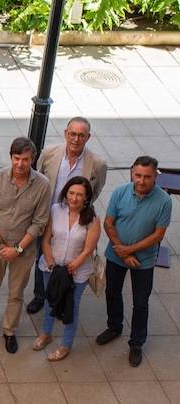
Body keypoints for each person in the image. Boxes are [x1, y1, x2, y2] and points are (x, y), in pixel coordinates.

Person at [0, 137, 51, 354]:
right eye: (16, 158)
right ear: (11, 157)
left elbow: (39, 222)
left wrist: (17, 249)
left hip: (24, 251)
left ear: (32, 159)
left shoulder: (43, 185)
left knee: (16, 293)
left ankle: (9, 331)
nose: (20, 164)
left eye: (25, 159)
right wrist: (0, 243)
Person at [96, 156, 172, 367]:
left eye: (147, 177)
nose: (141, 180)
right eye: (138, 175)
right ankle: (114, 326)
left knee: (140, 303)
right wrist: (121, 251)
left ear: (155, 176)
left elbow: (158, 235)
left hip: (144, 261)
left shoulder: (164, 201)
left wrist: (129, 250)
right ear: (131, 172)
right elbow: (109, 223)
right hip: (116, 256)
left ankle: (136, 344)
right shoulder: (120, 192)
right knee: (112, 292)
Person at [27, 116, 108, 314]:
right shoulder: (49, 154)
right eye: (72, 134)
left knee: (71, 258)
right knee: (42, 255)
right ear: (65, 133)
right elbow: (38, 181)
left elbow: (94, 192)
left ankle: (63, 296)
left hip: (75, 219)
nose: (76, 139)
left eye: (81, 135)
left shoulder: (97, 164)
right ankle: (41, 296)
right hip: (47, 217)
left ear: (88, 137)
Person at [32, 176, 100, 361]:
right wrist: (51, 263)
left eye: (79, 195)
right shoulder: (55, 210)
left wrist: (75, 264)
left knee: (71, 306)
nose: (74, 198)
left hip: (77, 272)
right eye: (71, 193)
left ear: (86, 197)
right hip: (51, 267)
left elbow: (88, 249)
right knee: (49, 300)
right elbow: (46, 240)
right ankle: (46, 333)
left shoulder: (92, 219)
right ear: (65, 193)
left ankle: (65, 344)